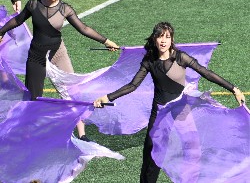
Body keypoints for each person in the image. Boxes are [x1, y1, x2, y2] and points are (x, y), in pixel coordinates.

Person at [94, 22, 245, 183]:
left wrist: (233, 88)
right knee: (152, 152)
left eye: (167, 36)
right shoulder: (150, 61)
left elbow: (206, 73)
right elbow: (133, 85)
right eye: (160, 36)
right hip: (159, 112)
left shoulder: (181, 57)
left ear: (172, 39)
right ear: (154, 39)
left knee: (192, 150)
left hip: (181, 110)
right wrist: (108, 97)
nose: (163, 40)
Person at [0, 0, 119, 142]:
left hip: (58, 53)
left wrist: (106, 41)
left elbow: (83, 28)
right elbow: (18, 20)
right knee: (33, 98)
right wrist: (1, 31)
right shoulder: (33, 5)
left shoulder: (65, 9)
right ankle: (28, 135)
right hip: (36, 56)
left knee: (71, 92)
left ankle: (82, 133)